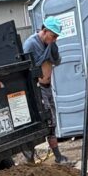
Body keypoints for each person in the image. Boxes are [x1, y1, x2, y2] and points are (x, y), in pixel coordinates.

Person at [24, 17, 69, 165]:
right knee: (45, 121)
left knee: (51, 121)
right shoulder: (31, 44)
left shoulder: (50, 44)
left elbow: (57, 60)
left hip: (47, 87)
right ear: (44, 31)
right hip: (37, 89)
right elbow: (24, 69)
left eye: (56, 37)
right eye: (53, 36)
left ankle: (58, 156)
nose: (55, 39)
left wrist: (53, 48)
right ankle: (31, 159)